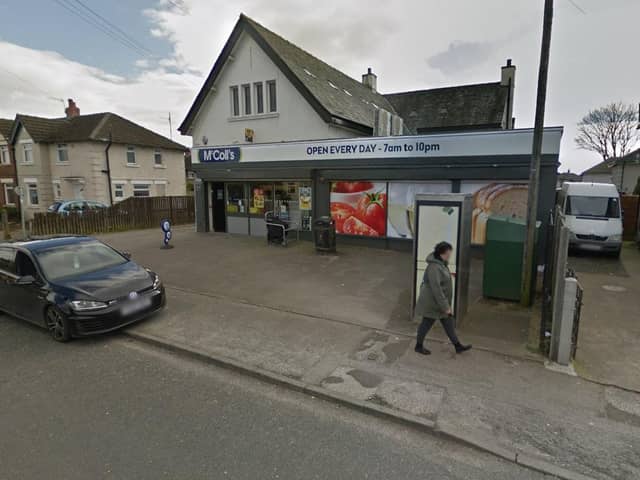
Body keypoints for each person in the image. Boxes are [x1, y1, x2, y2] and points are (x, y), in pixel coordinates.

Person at [415, 241, 471, 355]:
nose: (450, 255)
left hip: (439, 303)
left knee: (448, 323)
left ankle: (457, 346)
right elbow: (437, 289)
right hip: (432, 303)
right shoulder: (434, 267)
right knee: (426, 324)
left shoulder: (441, 263)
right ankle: (418, 346)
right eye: (448, 253)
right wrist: (445, 306)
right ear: (441, 253)